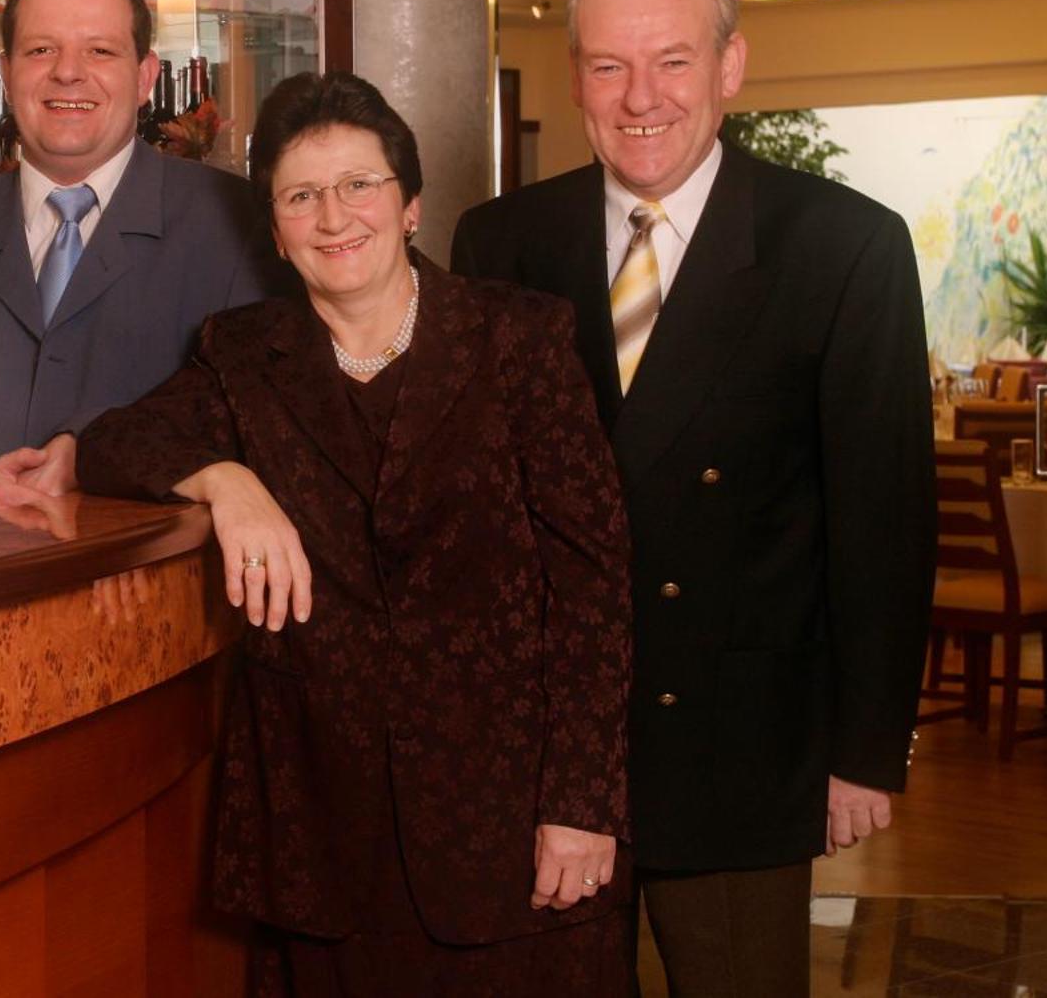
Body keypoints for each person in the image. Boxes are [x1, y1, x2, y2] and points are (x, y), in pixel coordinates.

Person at [77, 72, 634, 993]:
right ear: (277, 227)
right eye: (301, 195)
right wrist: (227, 481)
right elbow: (112, 444)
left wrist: (582, 802)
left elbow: (595, 585)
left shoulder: (519, 340)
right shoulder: (245, 352)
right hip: (322, 840)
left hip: (512, 836)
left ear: (410, 205)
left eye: (359, 186)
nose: (334, 216)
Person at [451, 0, 936, 995]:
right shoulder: (499, 241)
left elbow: (883, 516)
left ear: (728, 68)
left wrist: (864, 746)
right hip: (547, 749)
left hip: (740, 740)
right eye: (607, 65)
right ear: (573, 73)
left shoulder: (840, 245)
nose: (638, 98)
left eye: (671, 61)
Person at [0, 0, 287, 501]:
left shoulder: (240, 229)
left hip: (160, 579)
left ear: (146, 76)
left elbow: (271, 432)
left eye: (100, 51)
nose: (68, 72)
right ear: (6, 75)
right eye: (41, 51)